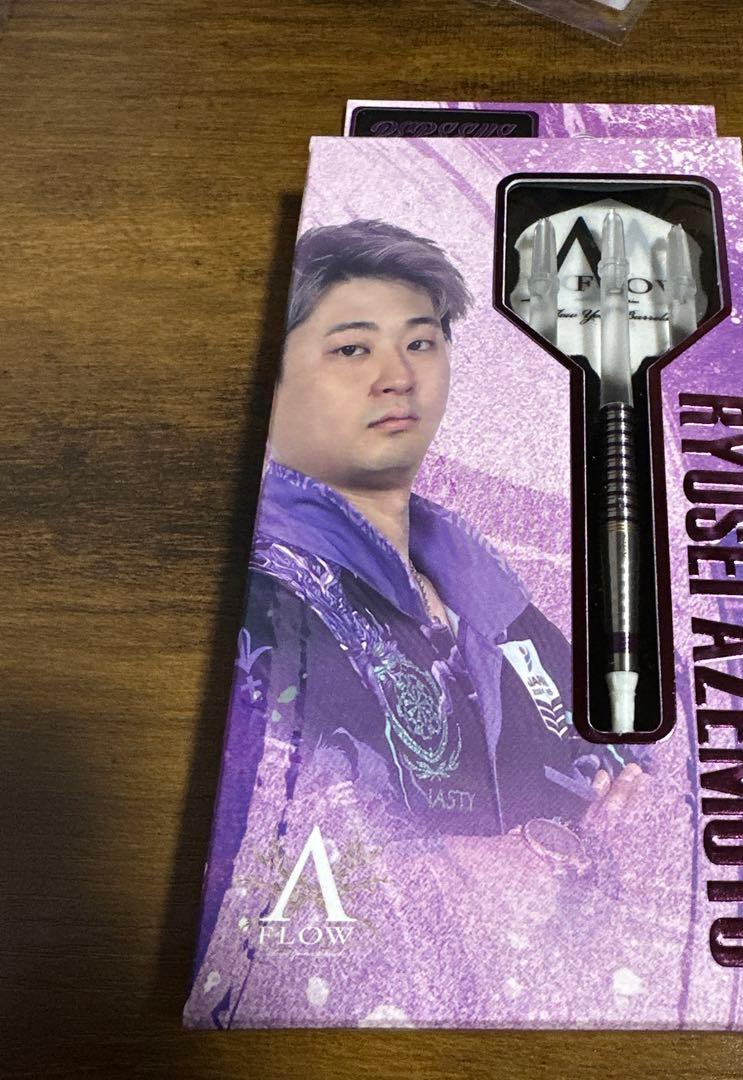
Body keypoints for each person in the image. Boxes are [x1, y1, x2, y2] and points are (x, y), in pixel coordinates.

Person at [191, 220, 649, 1013]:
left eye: (421, 344)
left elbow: (606, 718)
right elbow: (267, 836)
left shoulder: (468, 565)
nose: (398, 376)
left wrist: (625, 781)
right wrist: (454, 862)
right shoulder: (263, 595)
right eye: (353, 348)